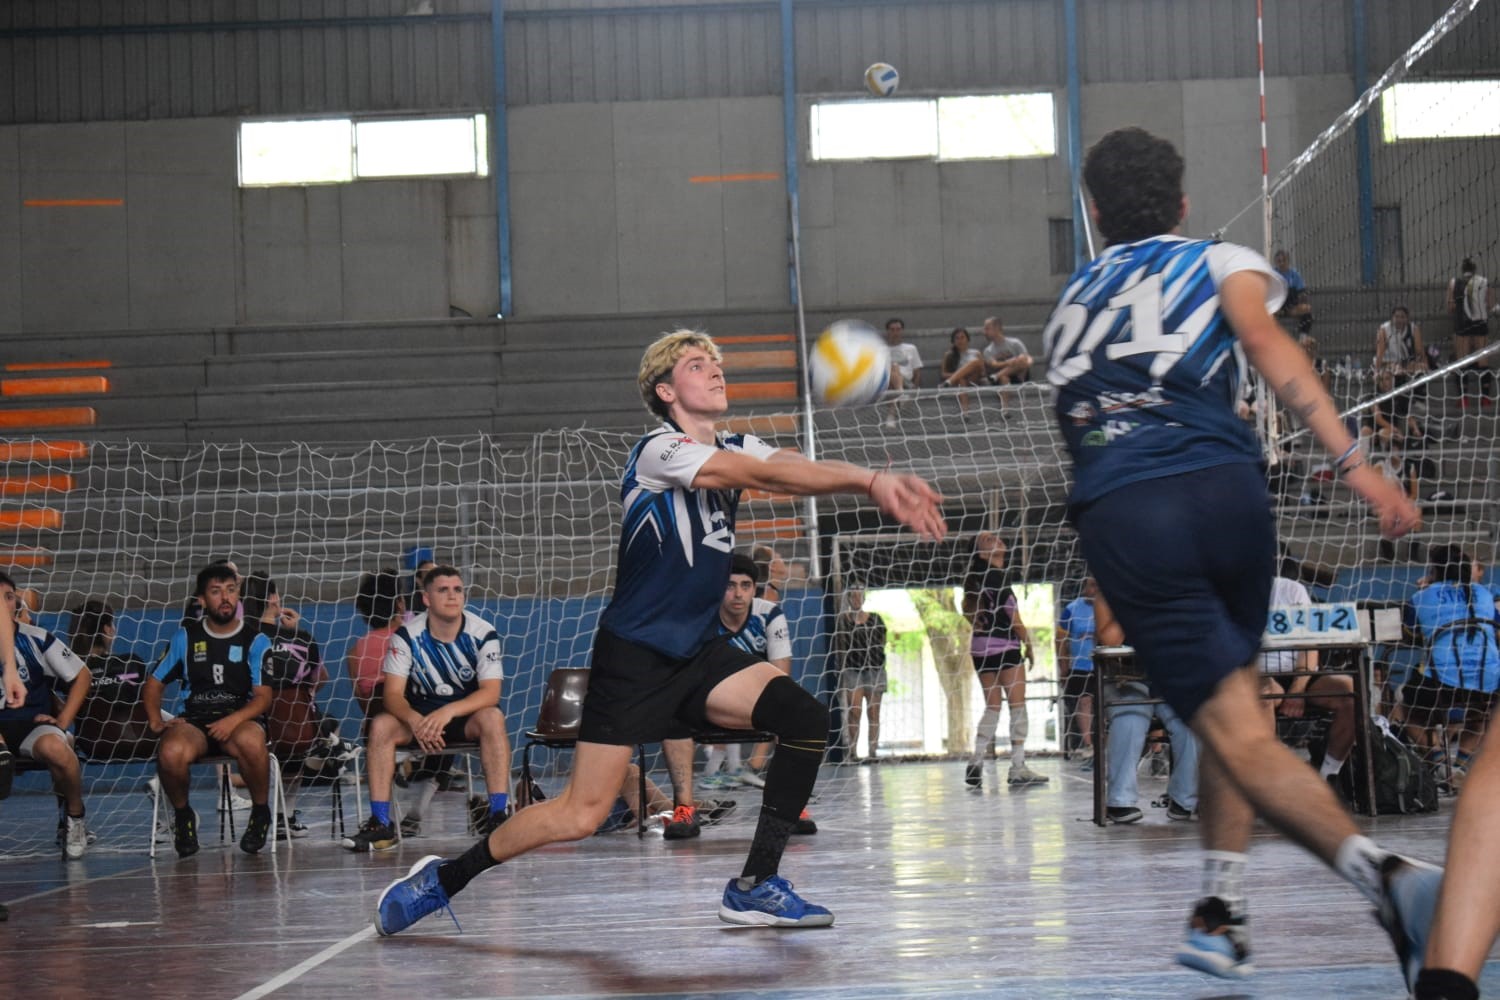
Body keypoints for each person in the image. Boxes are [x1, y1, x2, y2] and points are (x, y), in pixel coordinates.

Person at [372, 328, 944, 936]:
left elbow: (788, 465)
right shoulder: (658, 450)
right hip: (635, 659)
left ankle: (755, 885)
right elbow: (754, 472)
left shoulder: (737, 443)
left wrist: (868, 477)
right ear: (667, 390)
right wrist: (869, 483)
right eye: (699, 366)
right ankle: (443, 879)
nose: (717, 373)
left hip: (700, 652)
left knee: (804, 717)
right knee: (579, 814)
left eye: (717, 365)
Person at [1044, 127, 1437, 985]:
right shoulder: (1221, 260)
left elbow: (1080, 431)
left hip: (1134, 509)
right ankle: (1221, 909)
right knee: (1238, 708)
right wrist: (1359, 469)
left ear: (1096, 212)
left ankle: (1393, 881)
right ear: (1183, 205)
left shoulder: (1071, 303)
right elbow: (1267, 342)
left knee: (1227, 716)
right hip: (1232, 493)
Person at [342, 565, 513, 852]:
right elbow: (393, 695)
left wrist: (448, 712)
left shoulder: (483, 632)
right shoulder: (406, 635)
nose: (452, 596)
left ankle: (498, 815)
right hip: (418, 716)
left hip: (462, 716)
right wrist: (414, 718)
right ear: (426, 599)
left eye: (457, 589)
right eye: (443, 590)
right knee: (381, 724)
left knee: (493, 718)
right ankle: (381, 824)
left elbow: (491, 693)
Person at [144, 562, 275, 857]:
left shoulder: (256, 640)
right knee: (170, 751)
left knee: (253, 742)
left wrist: (233, 720)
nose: (225, 598)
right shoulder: (185, 638)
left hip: (239, 717)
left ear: (238, 594)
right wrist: (155, 721)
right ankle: (183, 816)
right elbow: (153, 685)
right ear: (202, 599)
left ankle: (260, 813)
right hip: (196, 721)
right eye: (216, 592)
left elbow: (263, 698)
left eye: (230, 590)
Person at [716, 552, 815, 834]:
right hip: (713, 698)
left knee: (798, 714)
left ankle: (787, 801)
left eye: (744, 586)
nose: (737, 593)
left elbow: (781, 675)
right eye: (730, 586)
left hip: (755, 697)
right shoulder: (707, 613)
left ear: (752, 586)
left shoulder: (769, 611)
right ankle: (687, 804)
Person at [0, 572, 93, 859]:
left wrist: (63, 720)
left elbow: (82, 675)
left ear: (17, 601)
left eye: (9, 597)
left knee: (59, 748)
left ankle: (75, 818)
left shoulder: (36, 639)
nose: (4, 604)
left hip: (30, 726)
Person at [1093, 587, 1199, 823]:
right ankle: (1120, 800)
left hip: (1167, 675)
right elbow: (1110, 639)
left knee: (1191, 720)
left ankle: (1184, 798)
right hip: (1124, 675)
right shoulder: (1109, 591)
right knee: (1130, 717)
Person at [1398, 545, 1499, 779]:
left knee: (1406, 712)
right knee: (1478, 716)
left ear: (1434, 570)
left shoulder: (1421, 597)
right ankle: (1460, 766)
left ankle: (1439, 761)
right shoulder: (1485, 594)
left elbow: (1411, 634)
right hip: (1490, 679)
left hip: (1440, 682)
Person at [242, 573, 326, 839]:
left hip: (252, 727)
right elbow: (320, 679)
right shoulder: (302, 638)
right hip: (296, 729)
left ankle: (263, 811)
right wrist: (291, 633)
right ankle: (286, 814)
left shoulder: (240, 638)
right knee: (309, 736)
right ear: (273, 599)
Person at [963, 532, 1046, 788]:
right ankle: (1018, 767)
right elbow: (1016, 622)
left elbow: (966, 609)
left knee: (992, 705)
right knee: (1017, 705)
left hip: (979, 647)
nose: (997, 539)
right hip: (1005, 646)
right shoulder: (999, 578)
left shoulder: (974, 580)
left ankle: (976, 759)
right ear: (981, 553)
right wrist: (1030, 646)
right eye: (989, 540)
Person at [1260, 576, 1358, 784]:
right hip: (1257, 673)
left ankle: (1329, 775)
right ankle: (1267, 781)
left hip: (1300, 671)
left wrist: (1298, 689)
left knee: (1349, 692)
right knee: (1265, 694)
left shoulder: (1291, 589)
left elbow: (1309, 644)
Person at [69, 599, 158, 762]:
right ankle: (157, 782)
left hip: (91, 746)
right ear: (106, 629)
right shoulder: (131, 663)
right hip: (141, 742)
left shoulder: (69, 668)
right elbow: (143, 703)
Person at [835, 579, 887, 764]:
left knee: (873, 712)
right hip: (853, 670)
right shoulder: (843, 621)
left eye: (859, 596)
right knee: (855, 711)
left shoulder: (875, 618)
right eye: (853, 596)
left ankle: (873, 752)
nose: (856, 599)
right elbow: (840, 645)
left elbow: (882, 640)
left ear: (864, 598)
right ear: (848, 598)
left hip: (874, 669)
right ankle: (853, 752)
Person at [1055, 578, 1098, 762]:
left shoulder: (1110, 607)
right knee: (1085, 702)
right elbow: (1060, 640)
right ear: (1085, 587)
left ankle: (1107, 745)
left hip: (1104, 665)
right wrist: (1063, 667)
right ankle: (1089, 745)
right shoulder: (1071, 609)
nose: (1094, 588)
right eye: (1091, 584)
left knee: (1106, 704)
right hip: (1080, 665)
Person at [1447, 257, 1495, 403]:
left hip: (1462, 325)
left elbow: (1450, 307)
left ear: (1462, 270)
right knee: (1483, 361)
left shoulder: (1454, 283)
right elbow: (1491, 305)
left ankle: (1464, 398)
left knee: (1462, 361)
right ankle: (1485, 397)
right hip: (1480, 323)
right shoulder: (1484, 282)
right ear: (1475, 269)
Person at [883, 317, 924, 428]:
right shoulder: (881, 350)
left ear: (902, 331)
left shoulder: (911, 348)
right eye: (892, 329)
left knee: (895, 368)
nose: (895, 332)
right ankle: (901, 394)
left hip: (907, 383)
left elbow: (917, 371)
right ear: (888, 331)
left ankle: (891, 416)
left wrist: (914, 390)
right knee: (893, 367)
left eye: (898, 329)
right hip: (886, 383)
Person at [1374, 304, 1428, 380]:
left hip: (1407, 362)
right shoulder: (1384, 330)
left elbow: (1420, 351)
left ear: (1407, 318)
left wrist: (1424, 365)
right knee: (1392, 371)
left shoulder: (1414, 329)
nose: (1399, 320)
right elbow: (1380, 354)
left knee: (1420, 368)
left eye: (1402, 317)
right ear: (1392, 318)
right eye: (1396, 317)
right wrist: (1377, 371)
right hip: (1389, 363)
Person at [939, 327, 984, 412]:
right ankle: (965, 412)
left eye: (962, 337)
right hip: (959, 382)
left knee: (975, 362)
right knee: (961, 380)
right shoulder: (948, 355)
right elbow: (943, 374)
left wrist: (967, 372)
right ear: (953, 341)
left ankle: (950, 381)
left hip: (973, 380)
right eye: (957, 338)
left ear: (968, 339)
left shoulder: (976, 353)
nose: (960, 340)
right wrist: (961, 374)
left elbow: (982, 372)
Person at [980, 316, 1034, 386]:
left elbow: (1028, 359)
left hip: (1018, 374)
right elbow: (994, 365)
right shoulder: (988, 351)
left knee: (1022, 359)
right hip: (1002, 378)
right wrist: (1009, 362)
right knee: (1004, 378)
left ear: (997, 328)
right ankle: (998, 377)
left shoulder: (1015, 343)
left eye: (987, 329)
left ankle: (996, 376)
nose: (984, 332)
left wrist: (1022, 362)